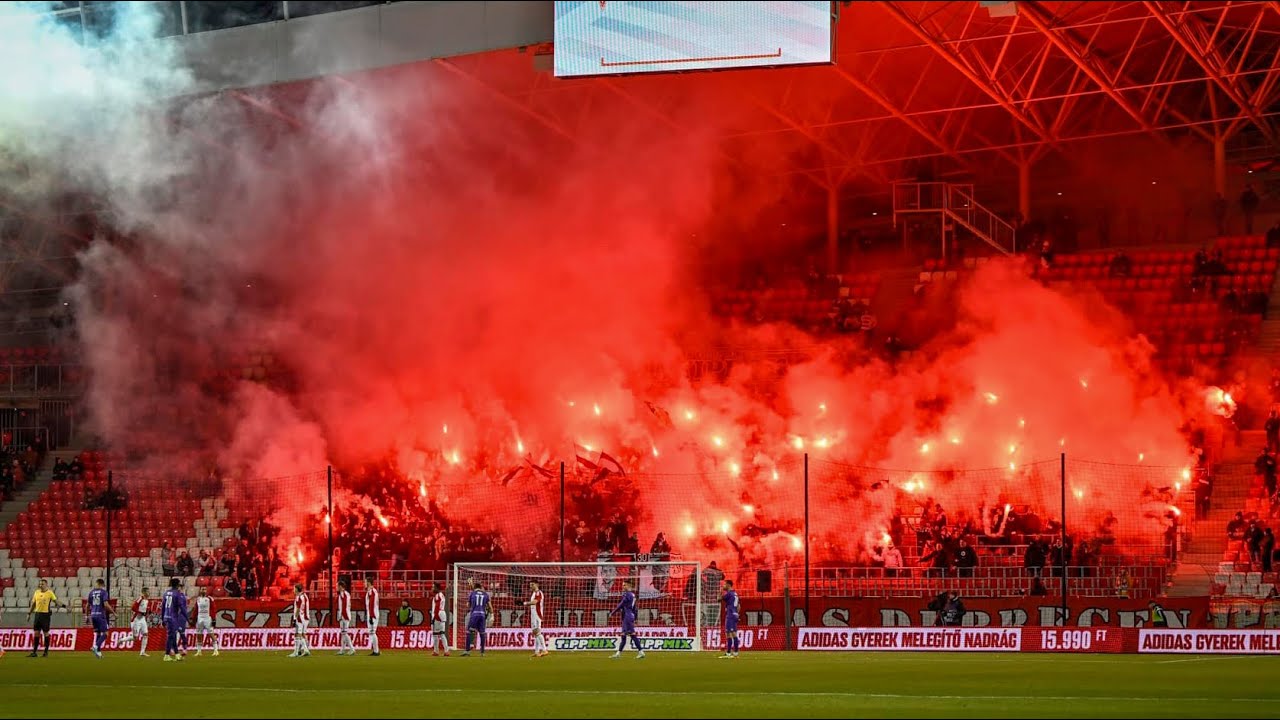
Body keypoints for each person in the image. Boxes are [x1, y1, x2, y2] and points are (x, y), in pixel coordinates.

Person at [608, 580, 644, 659]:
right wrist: (634, 617)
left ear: (628, 586)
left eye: (624, 585)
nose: (623, 586)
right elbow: (635, 608)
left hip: (627, 616)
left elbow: (621, 604)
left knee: (632, 635)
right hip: (630, 616)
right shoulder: (633, 595)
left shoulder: (627, 594)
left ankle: (641, 652)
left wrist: (612, 613)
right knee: (623, 635)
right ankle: (618, 653)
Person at [27, 578, 60, 657]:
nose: (41, 585)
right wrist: (29, 613)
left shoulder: (50, 593)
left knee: (46, 633)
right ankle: (34, 652)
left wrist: (62, 606)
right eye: (40, 584)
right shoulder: (36, 592)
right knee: (36, 633)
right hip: (37, 614)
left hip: (45, 615)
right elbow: (33, 604)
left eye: (42, 584)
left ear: (46, 585)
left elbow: (56, 601)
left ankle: (46, 651)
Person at [161, 577, 188, 662]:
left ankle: (177, 654)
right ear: (177, 585)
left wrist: (162, 619)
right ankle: (166, 655)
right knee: (171, 636)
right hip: (173, 618)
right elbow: (182, 607)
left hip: (166, 616)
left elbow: (163, 607)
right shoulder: (177, 594)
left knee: (173, 636)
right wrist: (187, 618)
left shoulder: (166, 593)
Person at [461, 581, 490, 657]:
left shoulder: (472, 593)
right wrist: (492, 614)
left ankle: (467, 651)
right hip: (482, 615)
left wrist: (471, 605)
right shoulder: (485, 594)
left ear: (475, 587)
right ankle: (482, 652)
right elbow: (489, 606)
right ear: (480, 588)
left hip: (474, 614)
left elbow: (468, 605)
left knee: (469, 631)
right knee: (482, 633)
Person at [86, 578, 111, 658]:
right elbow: (106, 604)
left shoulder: (91, 592)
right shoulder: (104, 592)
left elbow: (87, 606)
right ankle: (95, 646)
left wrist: (87, 616)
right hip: (101, 615)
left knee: (98, 633)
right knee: (106, 634)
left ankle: (98, 653)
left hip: (93, 615)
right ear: (102, 584)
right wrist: (114, 613)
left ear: (96, 583)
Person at [522, 580, 548, 658]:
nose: (531, 586)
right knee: (535, 633)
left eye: (532, 584)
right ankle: (537, 652)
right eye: (530, 585)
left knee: (537, 632)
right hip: (533, 615)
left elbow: (535, 602)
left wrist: (525, 603)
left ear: (537, 584)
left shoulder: (538, 593)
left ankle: (544, 650)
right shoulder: (534, 593)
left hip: (537, 615)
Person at [192, 586, 218, 657]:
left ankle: (216, 651)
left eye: (205, 589)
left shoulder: (209, 598)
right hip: (199, 619)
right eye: (202, 589)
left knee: (211, 634)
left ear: (206, 591)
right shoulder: (198, 599)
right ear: (200, 590)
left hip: (207, 618)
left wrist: (214, 619)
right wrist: (193, 618)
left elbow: (213, 609)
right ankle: (199, 651)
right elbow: (196, 609)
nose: (204, 590)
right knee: (199, 635)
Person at [289, 583, 311, 658]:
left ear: (297, 589)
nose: (293, 590)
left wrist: (295, 618)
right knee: (303, 634)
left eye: (294, 588)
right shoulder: (305, 596)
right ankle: (301, 650)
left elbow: (298, 609)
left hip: (300, 618)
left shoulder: (299, 597)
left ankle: (300, 651)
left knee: (298, 634)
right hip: (306, 618)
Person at [719, 579, 740, 659]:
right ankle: (735, 652)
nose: (723, 586)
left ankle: (728, 653)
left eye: (725, 584)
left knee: (729, 634)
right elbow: (739, 606)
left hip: (730, 615)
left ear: (728, 585)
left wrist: (720, 592)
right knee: (734, 633)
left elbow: (719, 599)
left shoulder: (729, 594)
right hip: (735, 614)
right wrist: (736, 613)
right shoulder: (735, 594)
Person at [336, 578, 355, 656]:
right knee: (343, 633)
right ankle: (342, 649)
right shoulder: (342, 594)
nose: (336, 587)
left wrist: (342, 615)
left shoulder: (344, 594)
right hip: (343, 615)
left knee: (344, 632)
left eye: (337, 586)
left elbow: (345, 605)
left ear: (341, 586)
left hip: (345, 616)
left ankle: (352, 649)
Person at [129, 588, 150, 657]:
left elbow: (146, 610)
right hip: (136, 619)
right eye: (148, 591)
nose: (149, 593)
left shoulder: (147, 600)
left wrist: (146, 614)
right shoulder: (140, 598)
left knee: (146, 634)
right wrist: (140, 612)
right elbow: (133, 607)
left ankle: (142, 652)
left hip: (142, 619)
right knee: (135, 638)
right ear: (144, 592)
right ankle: (121, 640)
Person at [430, 582, 449, 657]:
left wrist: (435, 617)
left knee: (435, 634)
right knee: (442, 634)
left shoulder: (437, 596)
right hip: (442, 615)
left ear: (436, 588)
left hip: (438, 615)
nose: (432, 589)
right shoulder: (441, 595)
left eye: (433, 587)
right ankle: (446, 651)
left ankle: (436, 651)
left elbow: (437, 607)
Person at [365, 575, 381, 657]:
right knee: (371, 632)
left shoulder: (373, 592)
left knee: (372, 632)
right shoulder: (370, 592)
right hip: (371, 613)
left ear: (368, 583)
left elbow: (372, 604)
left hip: (373, 614)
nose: (364, 584)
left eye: (365, 582)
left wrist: (371, 616)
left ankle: (376, 651)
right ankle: (375, 650)